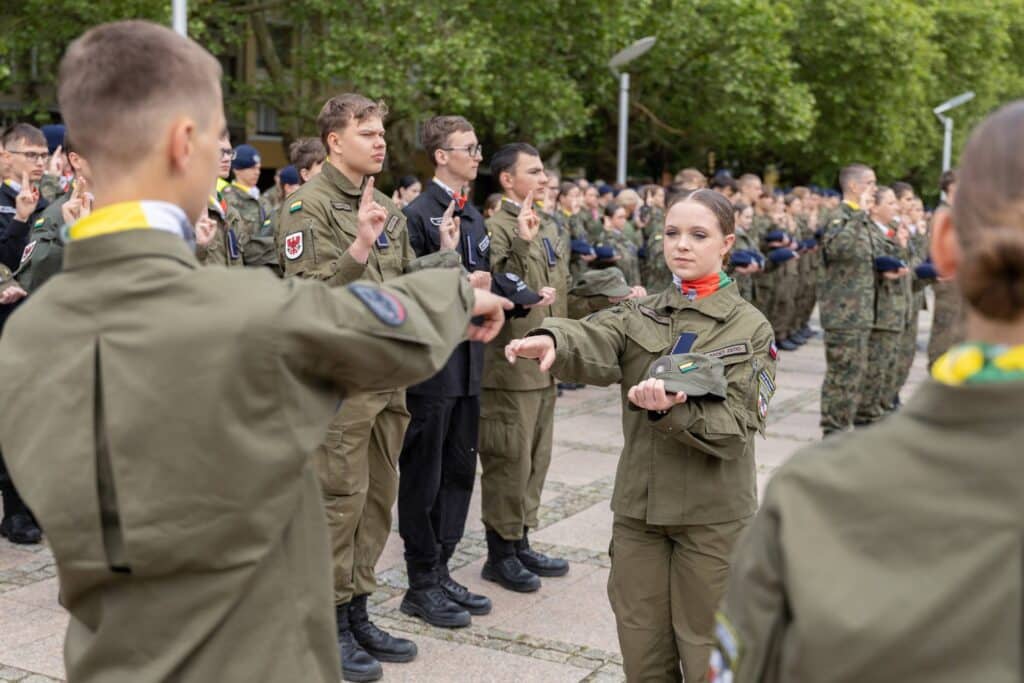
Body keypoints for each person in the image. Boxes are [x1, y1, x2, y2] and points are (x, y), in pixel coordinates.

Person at [0, 20, 510, 683]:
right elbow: (367, 323)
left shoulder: (29, 336)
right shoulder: (230, 315)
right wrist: (457, 295)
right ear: (185, 143)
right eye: (218, 137)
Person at [713, 99, 1024, 683]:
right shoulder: (814, 497)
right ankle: (844, 419)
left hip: (878, 319)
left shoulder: (816, 498)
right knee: (851, 376)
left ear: (946, 243)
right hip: (856, 312)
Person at [506, 189, 776, 683]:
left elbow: (737, 431)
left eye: (699, 235)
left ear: (727, 244)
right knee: (642, 652)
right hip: (640, 513)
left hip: (711, 518)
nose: (682, 245)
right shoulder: (643, 313)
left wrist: (675, 411)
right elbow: (596, 335)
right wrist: (551, 338)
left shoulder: (750, 328)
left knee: (708, 655)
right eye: (672, 233)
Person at [276, 92, 460, 680]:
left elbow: (400, 288)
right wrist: (358, 245)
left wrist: (448, 269)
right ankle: (322, 622)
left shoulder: (384, 205)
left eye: (382, 132)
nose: (380, 142)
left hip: (386, 379)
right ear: (334, 141)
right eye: (367, 133)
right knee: (335, 504)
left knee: (376, 501)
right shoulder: (306, 207)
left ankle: (356, 610)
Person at [397, 115, 493, 628]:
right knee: (425, 473)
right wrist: (450, 261)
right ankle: (420, 581)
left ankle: (442, 567)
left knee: (459, 469)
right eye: (469, 148)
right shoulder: (416, 215)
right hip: (431, 364)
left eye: (479, 148)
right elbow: (410, 290)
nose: (478, 156)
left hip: (469, 359)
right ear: (441, 156)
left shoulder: (472, 215)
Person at [479, 142, 569, 593]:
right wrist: (521, 240)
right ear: (507, 180)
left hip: (545, 363)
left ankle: (522, 538)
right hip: (509, 366)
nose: (544, 179)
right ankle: (501, 550)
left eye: (544, 172)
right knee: (507, 459)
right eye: (533, 172)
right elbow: (499, 284)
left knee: (536, 460)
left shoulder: (551, 225)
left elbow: (561, 288)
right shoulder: (495, 227)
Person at [0, 123, 49, 545]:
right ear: (4, 156)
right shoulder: (10, 205)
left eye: (43, 155)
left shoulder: (51, 205)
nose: (39, 162)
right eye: (30, 154)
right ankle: (14, 510)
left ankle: (34, 504)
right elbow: (8, 259)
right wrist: (18, 219)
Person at [818, 163, 877, 437]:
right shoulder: (840, 217)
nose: (874, 189)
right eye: (871, 183)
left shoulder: (860, 219)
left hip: (861, 312)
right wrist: (858, 217)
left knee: (854, 374)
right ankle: (833, 430)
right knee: (842, 375)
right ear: (854, 186)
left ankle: (845, 426)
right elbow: (838, 248)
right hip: (843, 313)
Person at [854, 186, 910, 424]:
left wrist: (901, 244)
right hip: (878, 310)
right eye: (890, 203)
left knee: (887, 364)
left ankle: (877, 407)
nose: (895, 208)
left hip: (893, 308)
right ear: (874, 207)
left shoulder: (891, 232)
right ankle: (866, 413)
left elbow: (905, 266)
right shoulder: (869, 233)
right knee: (875, 366)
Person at [927, 169, 965, 365]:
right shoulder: (944, 214)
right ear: (952, 187)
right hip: (949, 283)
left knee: (957, 335)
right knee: (945, 334)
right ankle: (937, 372)